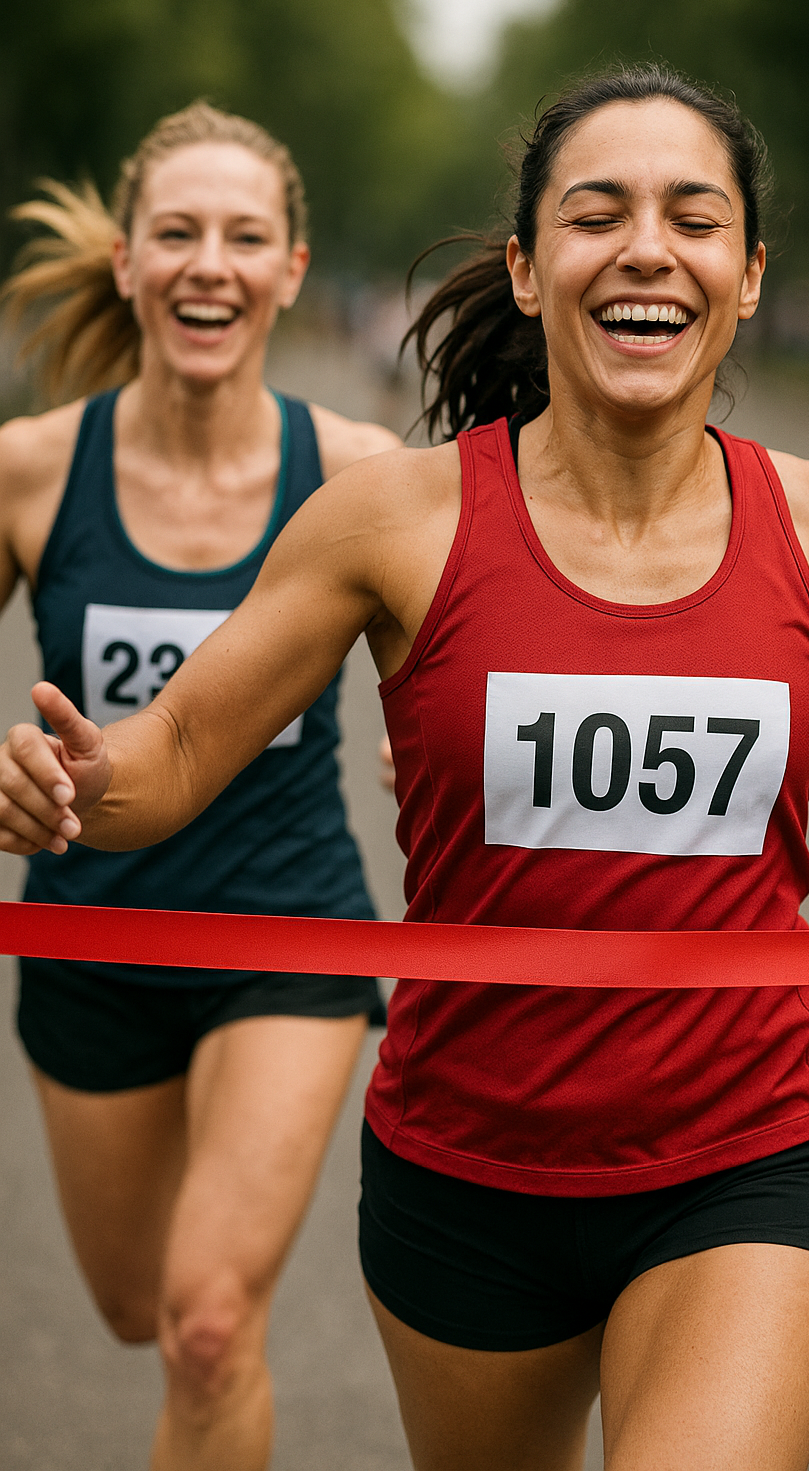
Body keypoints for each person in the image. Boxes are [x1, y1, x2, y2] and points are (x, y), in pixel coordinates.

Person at [3, 63, 809, 1471]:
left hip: (756, 1146)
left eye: (695, 217)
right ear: (530, 271)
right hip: (465, 1176)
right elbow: (177, 744)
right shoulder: (390, 521)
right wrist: (74, 786)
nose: (649, 247)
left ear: (748, 276)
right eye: (598, 213)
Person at [0, 101, 400, 1471]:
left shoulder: (357, 475)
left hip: (286, 930)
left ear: (291, 269)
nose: (208, 262)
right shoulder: (33, 470)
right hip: (89, 938)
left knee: (209, 1323)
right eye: (178, 232)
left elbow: (449, 680)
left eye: (245, 236)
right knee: (132, 1309)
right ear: (128, 261)